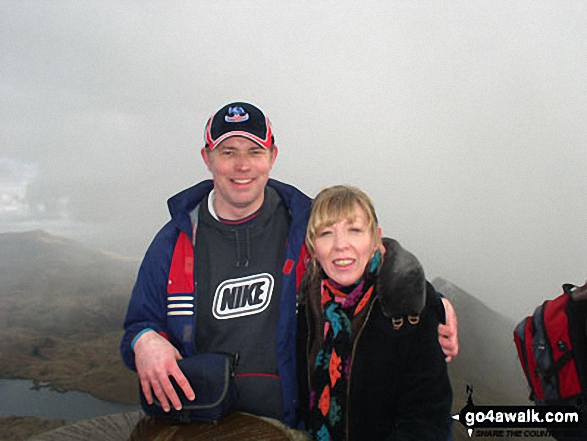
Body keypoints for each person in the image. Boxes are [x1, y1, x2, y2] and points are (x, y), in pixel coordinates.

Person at [120, 102, 457, 428]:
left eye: (255, 152)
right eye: (228, 152)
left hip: (295, 426)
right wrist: (144, 340)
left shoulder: (304, 223)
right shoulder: (174, 241)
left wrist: (429, 298)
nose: (242, 165)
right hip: (205, 425)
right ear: (207, 158)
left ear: (272, 157)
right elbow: (139, 324)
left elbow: (363, 252)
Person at [298, 185, 452, 440]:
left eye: (355, 231)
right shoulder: (305, 307)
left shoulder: (409, 311)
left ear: (375, 240)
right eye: (326, 233)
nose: (340, 245)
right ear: (313, 247)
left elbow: (427, 418)